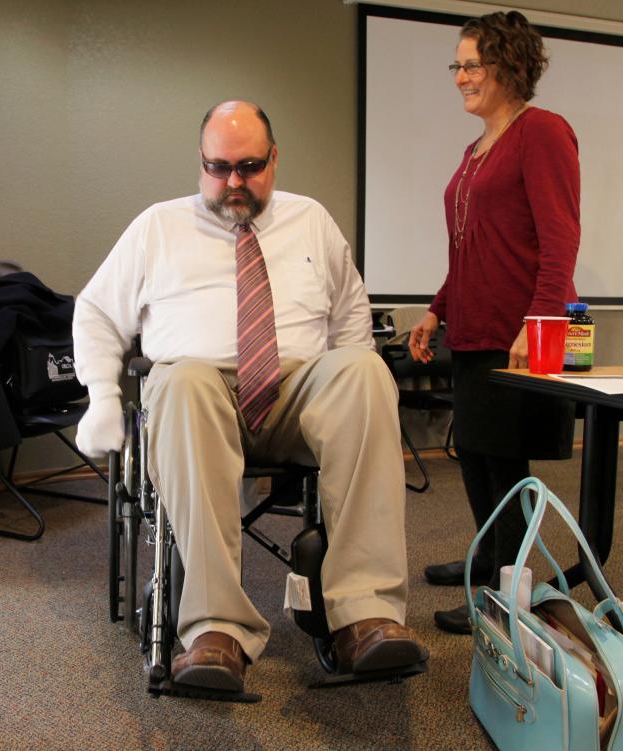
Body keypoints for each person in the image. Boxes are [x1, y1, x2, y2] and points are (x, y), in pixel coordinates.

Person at [72, 100, 427, 693]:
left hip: (295, 394)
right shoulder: (158, 227)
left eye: (250, 165)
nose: (234, 182)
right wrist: (102, 396)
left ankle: (364, 616)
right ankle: (216, 630)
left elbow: (350, 318)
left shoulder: (310, 219)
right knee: (183, 381)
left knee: (365, 372)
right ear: (200, 163)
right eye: (219, 167)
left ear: (275, 159)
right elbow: (97, 312)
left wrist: (349, 372)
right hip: (199, 392)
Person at [410, 11, 579, 634]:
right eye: (456, 65)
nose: (460, 77)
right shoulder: (476, 148)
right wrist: (436, 308)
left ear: (508, 65)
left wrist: (538, 324)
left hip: (516, 333)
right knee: (477, 456)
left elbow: (561, 240)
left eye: (471, 64)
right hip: (475, 327)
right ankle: (489, 559)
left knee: (503, 464)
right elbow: (468, 245)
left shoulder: (543, 133)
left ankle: (507, 595)